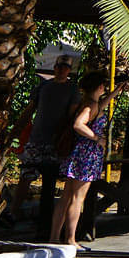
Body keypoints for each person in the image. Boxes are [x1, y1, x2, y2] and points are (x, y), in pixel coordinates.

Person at [12, 55, 78, 223]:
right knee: (26, 175)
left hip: (55, 142)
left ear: (69, 70)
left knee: (50, 181)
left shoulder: (72, 89)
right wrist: (15, 131)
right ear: (55, 67)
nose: (61, 69)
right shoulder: (43, 86)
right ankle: (14, 211)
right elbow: (29, 110)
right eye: (59, 66)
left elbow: (72, 115)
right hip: (36, 139)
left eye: (65, 67)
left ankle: (46, 218)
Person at [51, 72, 110, 248]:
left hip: (78, 153)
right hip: (86, 155)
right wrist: (96, 138)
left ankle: (54, 236)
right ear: (99, 87)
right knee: (77, 198)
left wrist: (114, 93)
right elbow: (78, 124)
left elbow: (100, 107)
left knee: (67, 196)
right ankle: (70, 238)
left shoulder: (90, 104)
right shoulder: (90, 107)